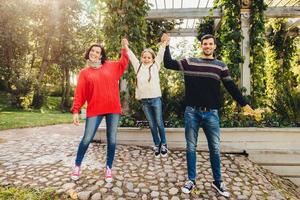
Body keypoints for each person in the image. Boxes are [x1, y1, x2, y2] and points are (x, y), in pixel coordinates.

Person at [163, 33, 255, 197]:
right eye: (205, 43)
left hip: (211, 114)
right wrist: (166, 45)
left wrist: (244, 103)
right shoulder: (190, 62)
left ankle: (218, 181)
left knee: (215, 149)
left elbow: (231, 87)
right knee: (191, 147)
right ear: (201, 45)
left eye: (210, 44)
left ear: (214, 46)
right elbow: (168, 64)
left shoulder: (220, 66)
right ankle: (191, 180)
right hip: (192, 112)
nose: (207, 46)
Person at [70, 39, 129, 182]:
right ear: (88, 53)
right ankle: (77, 166)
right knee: (87, 138)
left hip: (113, 108)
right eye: (92, 51)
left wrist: (124, 48)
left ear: (101, 55)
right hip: (95, 109)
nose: (94, 53)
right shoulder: (84, 72)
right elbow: (80, 93)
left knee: (112, 139)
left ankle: (108, 168)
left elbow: (123, 62)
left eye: (98, 52)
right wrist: (76, 111)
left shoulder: (110, 66)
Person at [124, 37, 168, 157]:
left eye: (149, 57)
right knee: (152, 124)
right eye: (144, 57)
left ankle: (164, 144)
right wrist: (126, 46)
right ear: (141, 58)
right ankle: (156, 144)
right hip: (144, 101)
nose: (146, 59)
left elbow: (160, 53)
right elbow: (131, 56)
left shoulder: (155, 66)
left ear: (152, 59)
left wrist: (164, 43)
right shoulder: (138, 67)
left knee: (159, 122)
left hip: (155, 99)